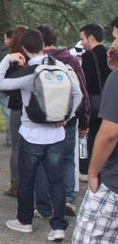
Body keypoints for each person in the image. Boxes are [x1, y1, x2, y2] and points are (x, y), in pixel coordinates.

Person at [0, 28, 82, 242]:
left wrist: (8, 59)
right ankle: (58, 226)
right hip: (57, 134)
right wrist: (66, 117)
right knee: (56, 181)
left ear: (23, 48)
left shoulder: (28, 73)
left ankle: (25, 221)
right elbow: (76, 93)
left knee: (27, 180)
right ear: (43, 44)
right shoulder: (60, 66)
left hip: (31, 133)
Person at [34, 25, 89, 219]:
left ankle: (45, 202)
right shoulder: (70, 59)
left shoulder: (37, 61)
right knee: (67, 159)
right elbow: (81, 91)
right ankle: (67, 198)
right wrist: (83, 120)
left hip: (45, 119)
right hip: (69, 117)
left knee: (43, 161)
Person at [72, 31, 118, 243]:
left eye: (117, 38)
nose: (113, 44)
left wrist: (92, 171)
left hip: (112, 182)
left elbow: (110, 133)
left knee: (89, 237)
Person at [79, 24, 112, 181]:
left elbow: (86, 81)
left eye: (82, 39)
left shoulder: (88, 56)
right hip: (107, 101)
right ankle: (104, 166)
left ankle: (87, 169)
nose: (82, 43)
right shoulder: (109, 53)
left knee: (89, 136)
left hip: (93, 104)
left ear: (91, 38)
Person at [2, 25, 29, 198]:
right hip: (30, 106)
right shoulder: (32, 59)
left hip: (17, 107)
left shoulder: (11, 59)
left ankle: (16, 184)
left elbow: (3, 85)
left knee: (17, 147)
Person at [0, 30, 15, 147]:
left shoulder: (6, 53)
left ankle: (11, 138)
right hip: (13, 87)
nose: (4, 41)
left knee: (8, 114)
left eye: (5, 38)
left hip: (4, 87)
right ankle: (11, 137)